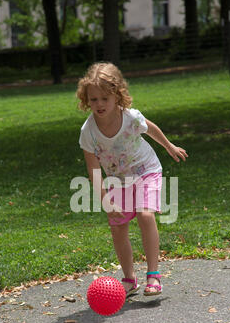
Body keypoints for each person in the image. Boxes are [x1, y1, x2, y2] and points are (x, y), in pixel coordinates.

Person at [77, 62, 188, 297]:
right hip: (118, 179)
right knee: (118, 227)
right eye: (93, 99)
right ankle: (129, 279)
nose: (99, 104)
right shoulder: (88, 131)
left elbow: (150, 128)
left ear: (117, 95)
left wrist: (169, 146)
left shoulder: (130, 117)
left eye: (104, 98)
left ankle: (153, 275)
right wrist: (105, 200)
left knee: (145, 215)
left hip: (146, 169)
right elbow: (93, 168)